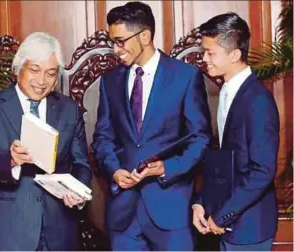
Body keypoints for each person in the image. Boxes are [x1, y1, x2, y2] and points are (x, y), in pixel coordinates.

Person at [92, 1, 212, 250]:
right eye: (112, 41)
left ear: (145, 35)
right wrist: (114, 170)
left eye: (121, 41)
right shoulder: (109, 81)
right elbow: (103, 137)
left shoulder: (185, 77)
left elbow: (200, 139)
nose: (116, 49)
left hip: (171, 211)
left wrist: (166, 168)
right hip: (123, 214)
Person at [0, 32, 92, 251]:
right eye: (34, 70)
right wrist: (10, 160)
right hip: (11, 229)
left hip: (60, 228)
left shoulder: (68, 109)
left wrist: (79, 193)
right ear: (18, 69)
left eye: (50, 74)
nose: (41, 81)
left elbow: (81, 163)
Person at [192, 12, 280, 251]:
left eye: (210, 53)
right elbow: (221, 162)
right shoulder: (227, 92)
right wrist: (202, 203)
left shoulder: (257, 100)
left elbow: (262, 170)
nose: (204, 59)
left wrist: (223, 216)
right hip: (227, 223)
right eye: (204, 51)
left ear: (234, 54)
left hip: (249, 227)